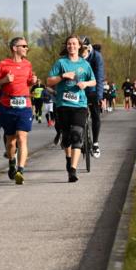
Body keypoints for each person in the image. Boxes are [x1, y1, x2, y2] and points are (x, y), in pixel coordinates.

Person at [47, 35, 97, 183]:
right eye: (69, 44)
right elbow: (49, 81)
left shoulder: (85, 64)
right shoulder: (61, 63)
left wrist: (86, 84)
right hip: (63, 105)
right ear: (66, 46)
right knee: (67, 138)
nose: (71, 46)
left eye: (74, 44)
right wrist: (63, 76)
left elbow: (93, 80)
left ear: (79, 46)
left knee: (76, 136)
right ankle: (69, 160)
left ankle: (73, 171)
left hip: (80, 105)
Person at [0, 37, 39, 185]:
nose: (26, 48)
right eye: (23, 46)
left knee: (22, 137)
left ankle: (20, 170)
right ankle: (12, 161)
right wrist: (4, 81)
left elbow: (29, 81)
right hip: (7, 105)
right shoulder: (3, 64)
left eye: (27, 46)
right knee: (11, 141)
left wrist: (33, 81)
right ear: (14, 48)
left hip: (25, 105)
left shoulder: (28, 64)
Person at [83, 38, 106, 158]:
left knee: (95, 114)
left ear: (88, 48)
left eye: (83, 49)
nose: (81, 52)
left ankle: (95, 143)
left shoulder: (96, 57)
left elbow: (100, 77)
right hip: (79, 89)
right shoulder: (74, 56)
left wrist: (99, 97)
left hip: (93, 89)